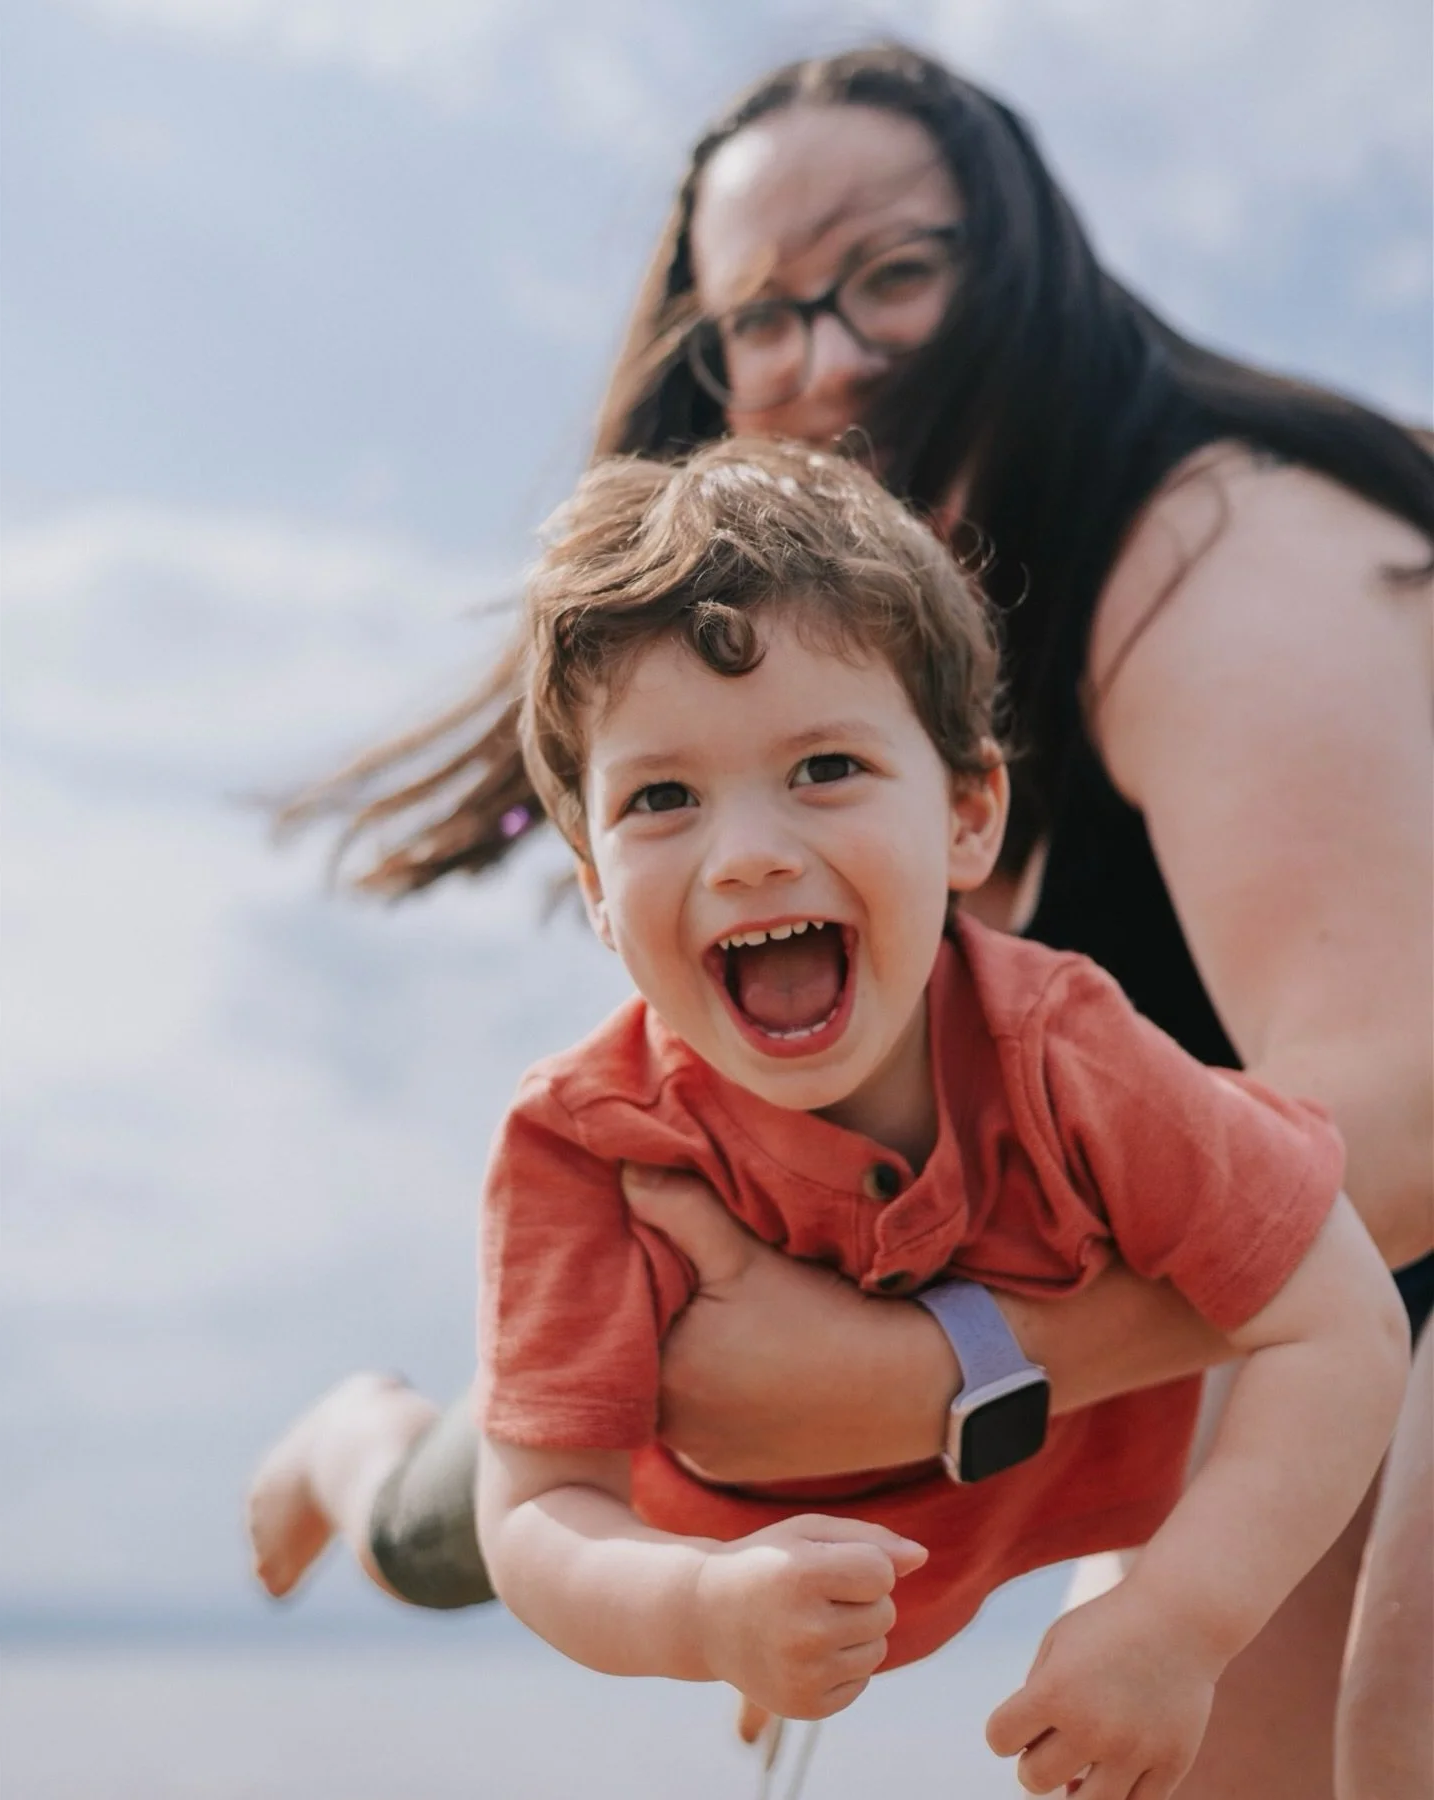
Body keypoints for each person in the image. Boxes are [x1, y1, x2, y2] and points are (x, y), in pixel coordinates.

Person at [248, 45, 1433, 1800]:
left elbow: (1402, 1111)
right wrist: (711, 1593)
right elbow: (545, 1518)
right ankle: (360, 1442)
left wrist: (925, 1382)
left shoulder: (1209, 548)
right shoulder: (625, 1083)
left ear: (968, 814)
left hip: (1241, 1289)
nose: (827, 357)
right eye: (765, 318)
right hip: (985, 1336)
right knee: (467, 1497)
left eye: (893, 272)